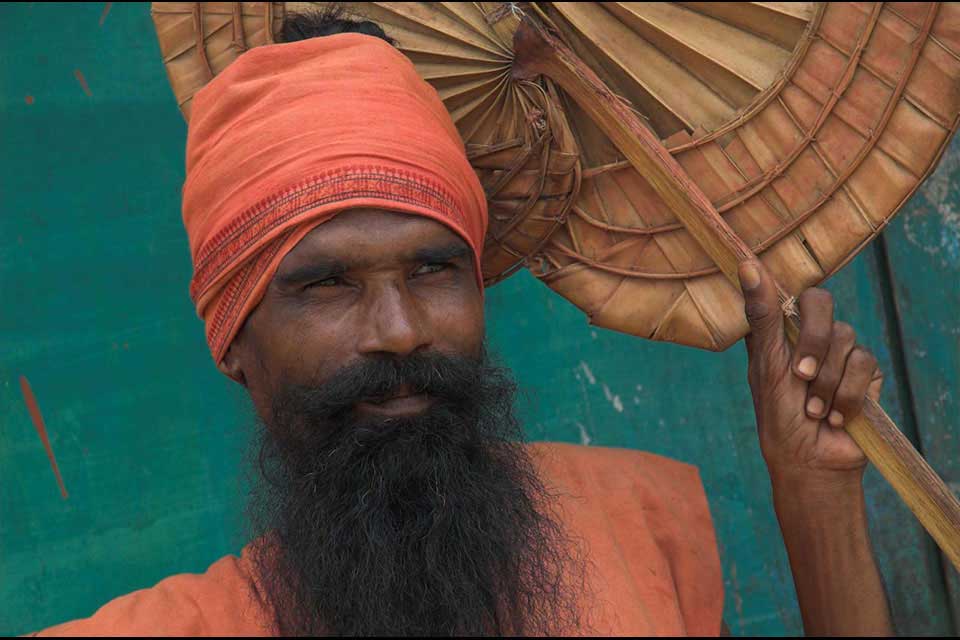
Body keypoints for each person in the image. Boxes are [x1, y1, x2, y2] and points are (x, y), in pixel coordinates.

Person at [33, 10, 893, 637]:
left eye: (433, 269)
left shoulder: (636, 532)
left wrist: (815, 495)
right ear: (233, 343)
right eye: (327, 284)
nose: (400, 330)